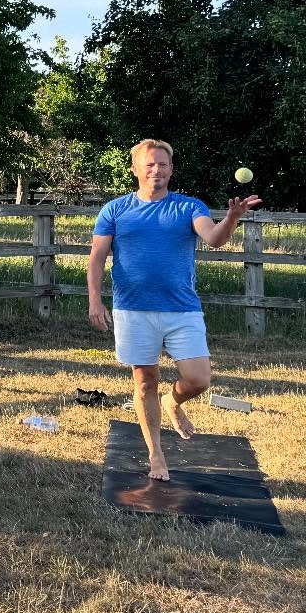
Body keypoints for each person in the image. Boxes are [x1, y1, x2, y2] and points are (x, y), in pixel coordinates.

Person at [86, 139, 261, 481]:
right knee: (144, 384)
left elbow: (214, 238)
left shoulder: (188, 207)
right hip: (133, 311)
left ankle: (174, 402)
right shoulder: (115, 210)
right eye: (149, 165)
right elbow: (96, 258)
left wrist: (232, 218)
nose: (157, 170)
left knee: (198, 379)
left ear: (171, 169)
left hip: (182, 310)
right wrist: (95, 300)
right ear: (135, 169)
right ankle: (156, 455)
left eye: (163, 165)